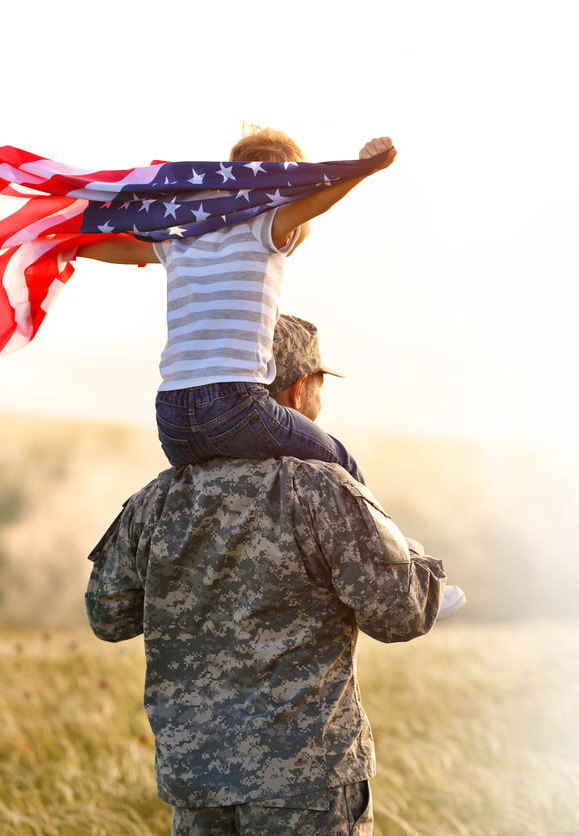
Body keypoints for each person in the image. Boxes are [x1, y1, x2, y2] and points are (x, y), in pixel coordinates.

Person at [85, 315, 465, 835]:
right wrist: (416, 563)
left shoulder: (156, 500)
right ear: (295, 389)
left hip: (197, 785)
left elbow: (108, 616)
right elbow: (399, 615)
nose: (321, 403)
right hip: (306, 783)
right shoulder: (321, 487)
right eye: (319, 385)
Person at [77, 127, 394, 484]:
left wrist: (62, 243)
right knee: (343, 465)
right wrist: (363, 169)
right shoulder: (264, 226)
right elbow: (310, 206)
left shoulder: (184, 235)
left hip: (172, 421)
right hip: (234, 408)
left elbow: (120, 249)